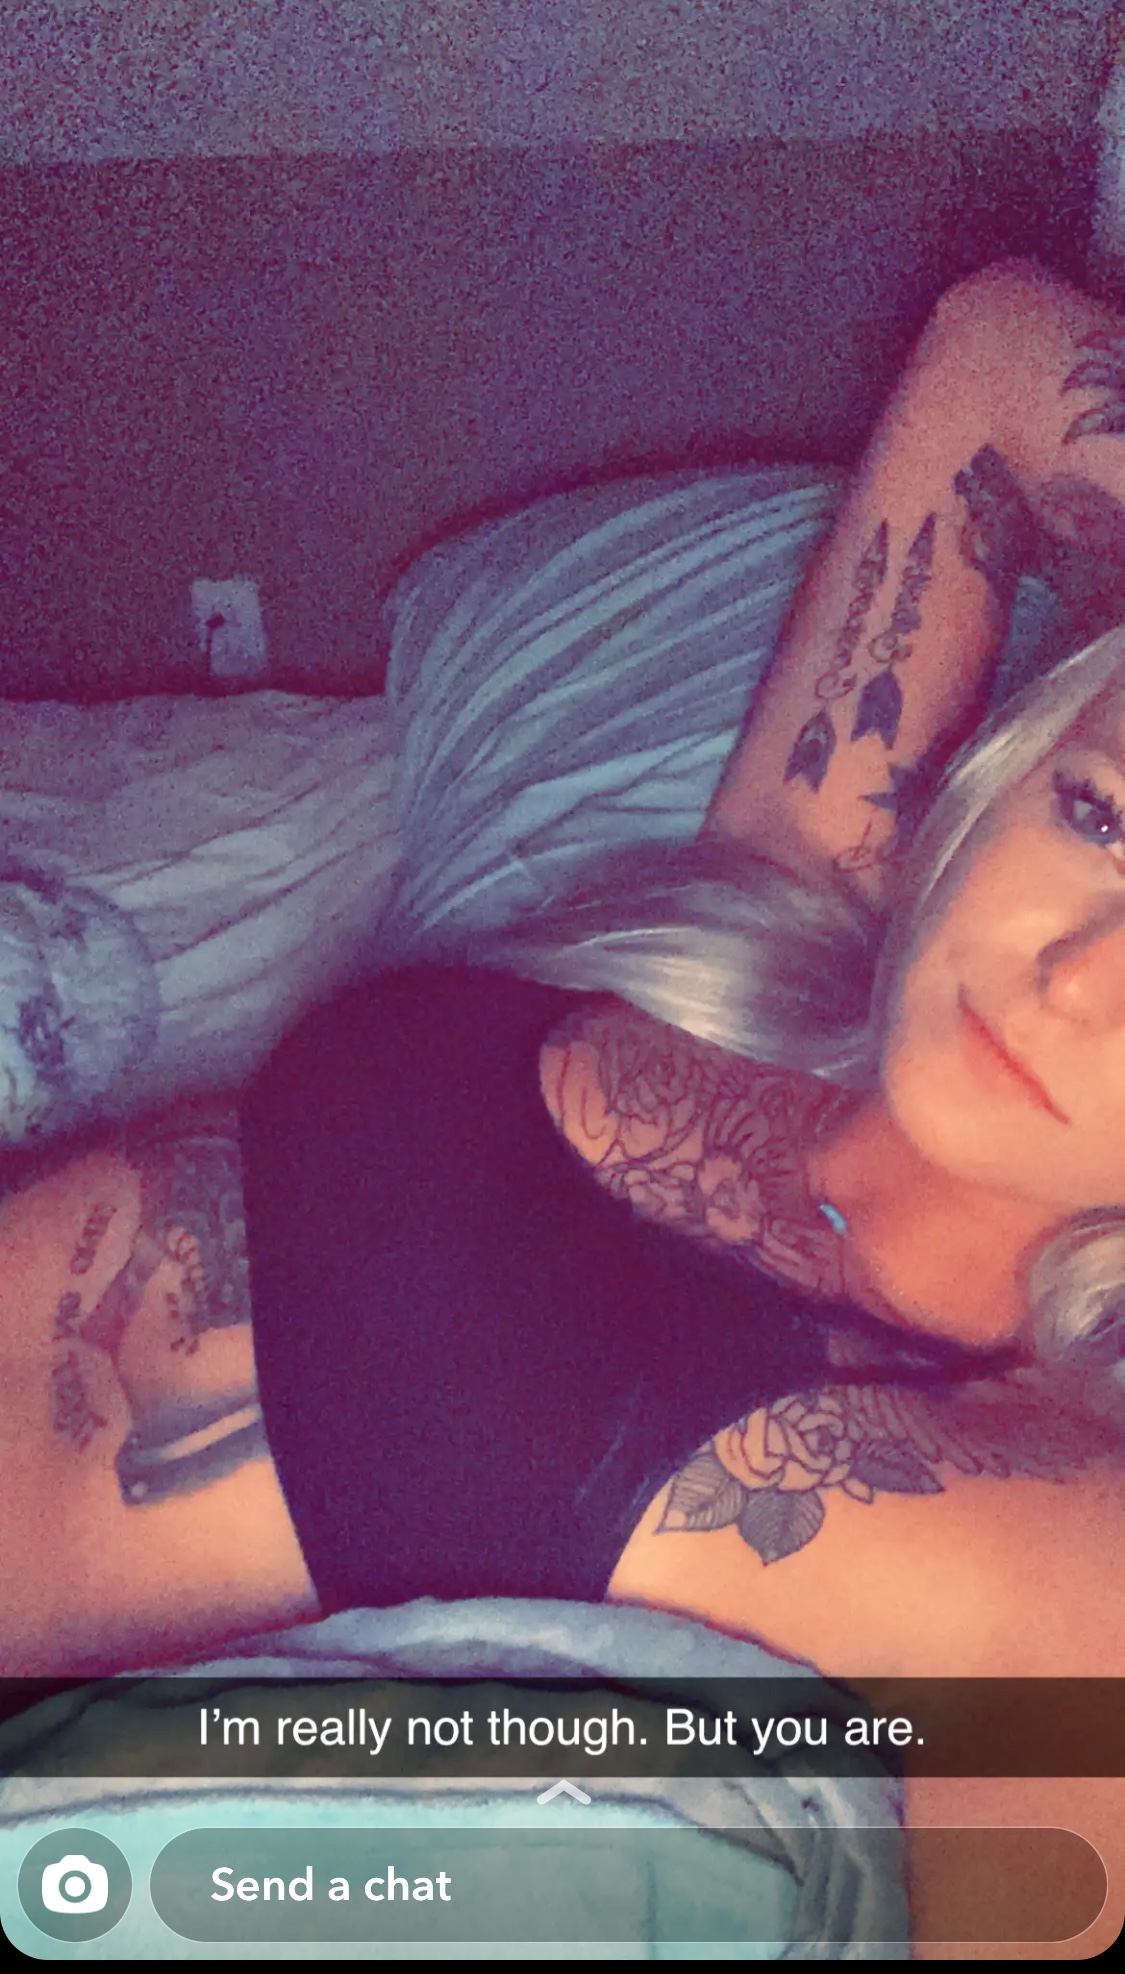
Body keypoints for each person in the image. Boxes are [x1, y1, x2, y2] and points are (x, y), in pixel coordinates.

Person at [5, 256, 1125, 1954]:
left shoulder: (1059, 1531)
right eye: (1100, 818)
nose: (1075, 974)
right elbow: (1003, 353)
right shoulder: (777, 920)